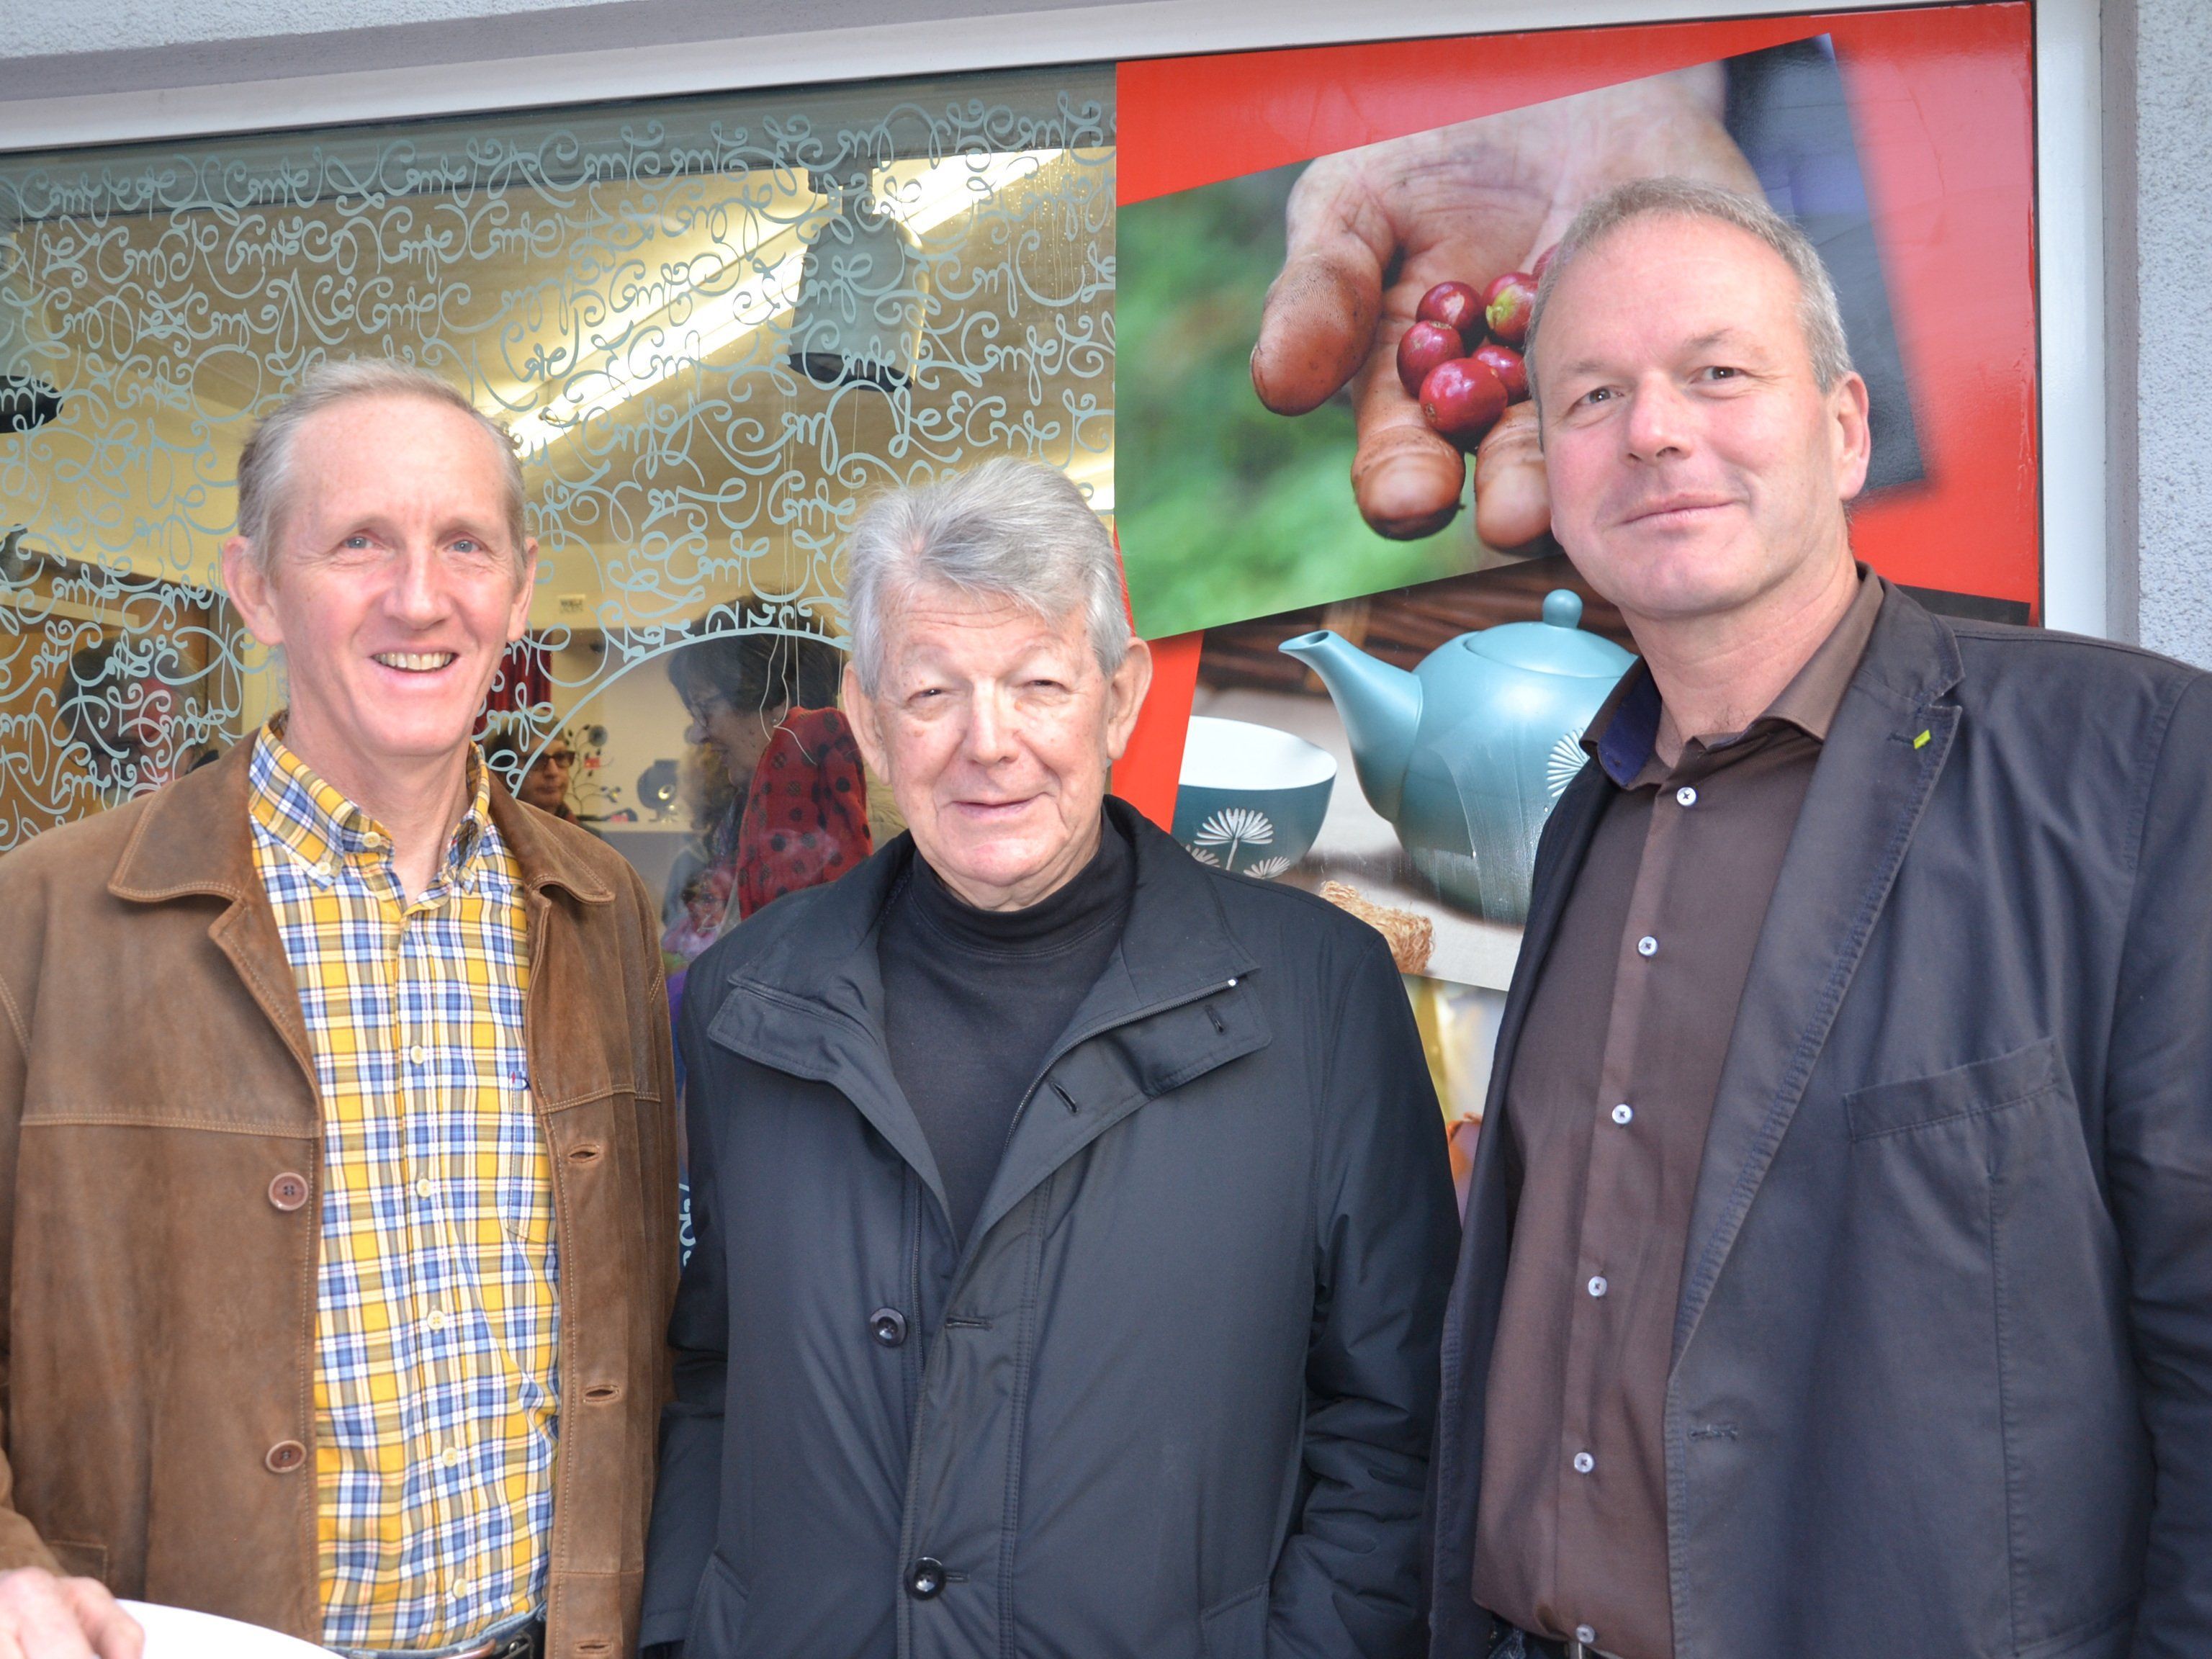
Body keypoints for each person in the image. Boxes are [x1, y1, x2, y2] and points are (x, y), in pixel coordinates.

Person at [1429, 178, 2212, 1659]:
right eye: (1594, 394)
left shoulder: (2138, 767)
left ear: (1847, 427)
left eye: (1718, 374)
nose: (1655, 430)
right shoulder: (1586, 811)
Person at [641, 458, 1459, 1658]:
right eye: (932, 693)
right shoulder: (748, 1002)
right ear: (869, 719)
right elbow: (711, 1376)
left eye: (1037, 682)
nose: (990, 743)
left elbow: (1393, 1419)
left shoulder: (1320, 994)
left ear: (1117, 698)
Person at [0, 359, 680, 1659]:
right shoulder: (47, 918)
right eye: (357, 542)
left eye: (463, 544)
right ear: (255, 587)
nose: (419, 597)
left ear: (519, 587)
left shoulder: (599, 910)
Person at [657, 629, 848, 958]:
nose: (697, 733)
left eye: (706, 709)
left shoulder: (845, 823)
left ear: (777, 706)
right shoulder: (756, 816)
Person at [483, 726, 588, 827]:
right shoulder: (485, 839)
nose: (553, 772)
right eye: (536, 760)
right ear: (500, 774)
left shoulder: (595, 840)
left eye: (560, 757)